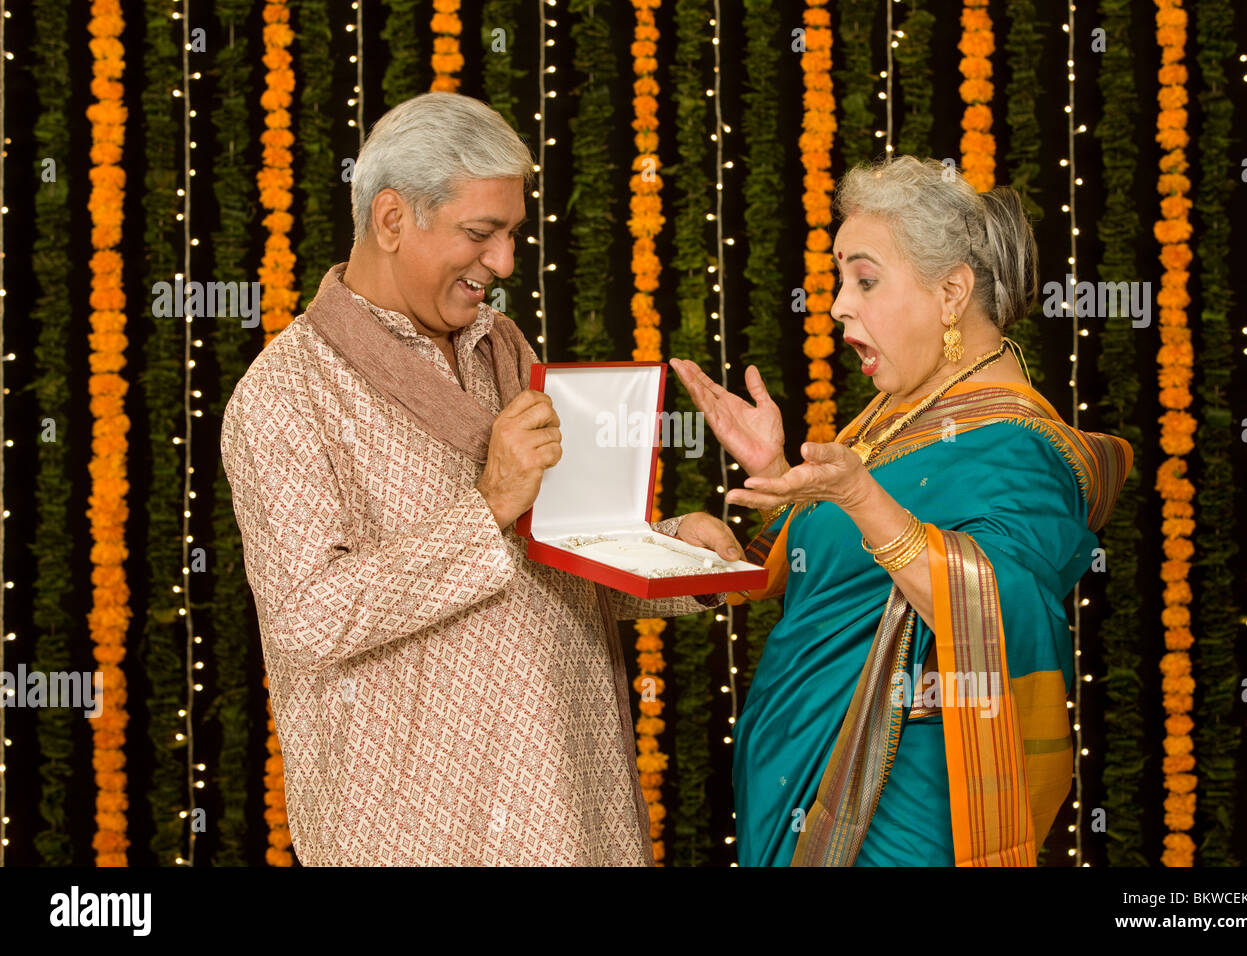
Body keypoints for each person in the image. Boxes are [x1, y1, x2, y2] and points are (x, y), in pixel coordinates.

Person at [220, 92, 742, 866]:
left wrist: (677, 555)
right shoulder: (286, 393)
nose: (501, 264)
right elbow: (306, 624)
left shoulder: (501, 345)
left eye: (510, 236)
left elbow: (553, 552)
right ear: (392, 220)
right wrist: (488, 504)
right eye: (480, 233)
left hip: (579, 804)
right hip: (425, 834)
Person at [672, 155, 1133, 866]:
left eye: (864, 280)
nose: (837, 306)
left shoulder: (1019, 445)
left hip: (904, 794)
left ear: (951, 293)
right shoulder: (896, 414)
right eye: (838, 281)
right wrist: (770, 474)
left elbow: (1003, 607)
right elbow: (831, 575)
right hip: (794, 772)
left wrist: (857, 493)